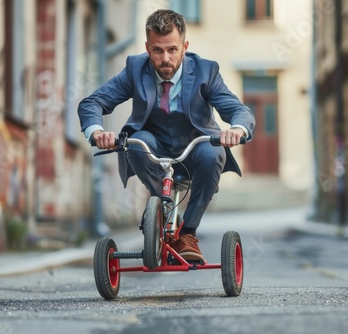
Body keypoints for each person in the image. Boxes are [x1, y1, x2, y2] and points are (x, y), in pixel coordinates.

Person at [78, 9, 255, 262]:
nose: (165, 59)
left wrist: (238, 129)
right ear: (147, 47)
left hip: (196, 149)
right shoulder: (134, 70)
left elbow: (237, 109)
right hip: (154, 149)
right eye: (158, 51)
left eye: (172, 50)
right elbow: (92, 103)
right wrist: (96, 132)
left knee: (212, 151)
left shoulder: (206, 72)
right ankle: (161, 208)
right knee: (136, 143)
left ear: (185, 46)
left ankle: (189, 232)